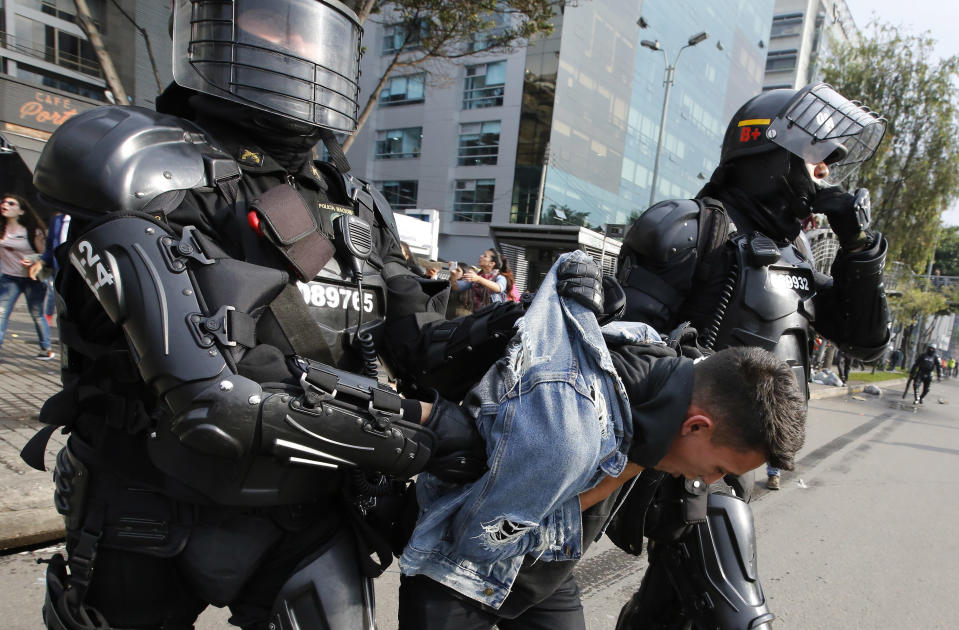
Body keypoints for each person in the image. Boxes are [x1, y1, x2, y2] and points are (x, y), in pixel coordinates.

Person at [23, 2, 552, 628]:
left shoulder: (353, 202)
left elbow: (422, 345)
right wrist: (423, 436)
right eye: (271, 19)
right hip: (144, 501)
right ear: (218, 22)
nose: (293, 43)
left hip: (307, 512)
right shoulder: (131, 158)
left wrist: (532, 324)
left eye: (307, 27)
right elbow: (215, 404)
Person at [397, 252, 806, 628]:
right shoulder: (567, 436)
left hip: (545, 569)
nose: (710, 478)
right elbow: (481, 540)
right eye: (719, 468)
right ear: (696, 426)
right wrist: (634, 464)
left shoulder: (662, 367)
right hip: (459, 571)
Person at [613, 82, 891, 628]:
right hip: (685, 465)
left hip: (736, 463)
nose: (826, 177)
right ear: (770, 153)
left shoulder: (797, 254)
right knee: (736, 618)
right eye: (818, 162)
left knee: (668, 612)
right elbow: (623, 351)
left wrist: (860, 249)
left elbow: (867, 339)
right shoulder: (688, 227)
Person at [0, 194, 54, 360]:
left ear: (21, 211)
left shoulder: (32, 231)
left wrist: (33, 260)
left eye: (11, 203)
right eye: (3, 202)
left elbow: (45, 254)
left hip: (32, 279)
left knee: (37, 313)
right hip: (9, 279)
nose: (5, 205)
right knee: (1, 313)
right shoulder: (2, 230)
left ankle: (46, 348)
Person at [35, 211, 71, 326]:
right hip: (59, 267)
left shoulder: (82, 218)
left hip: (78, 269)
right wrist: (41, 262)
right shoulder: (57, 220)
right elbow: (50, 247)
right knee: (56, 296)